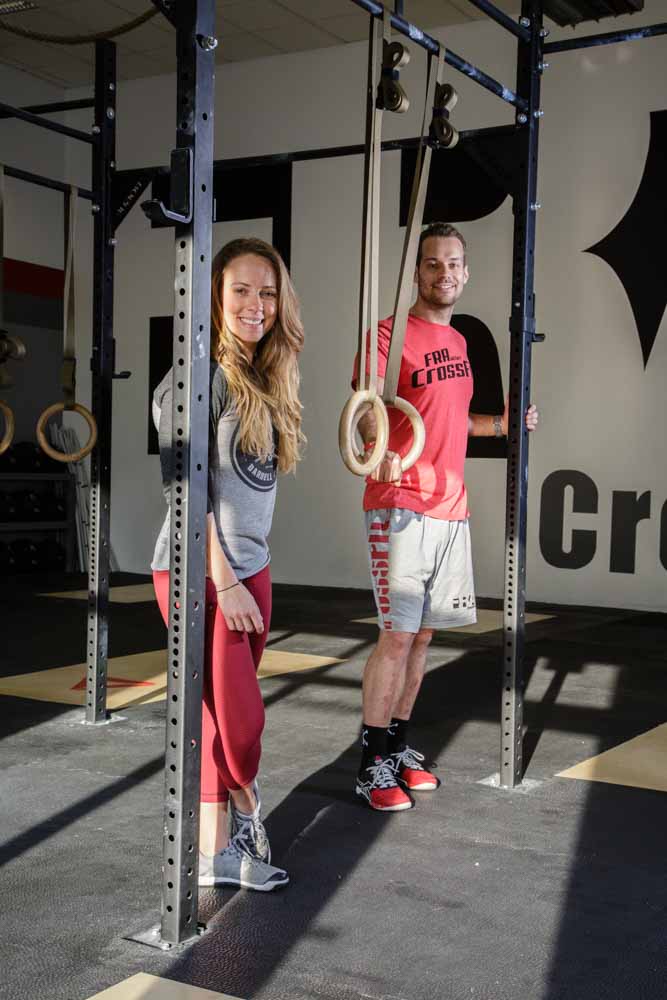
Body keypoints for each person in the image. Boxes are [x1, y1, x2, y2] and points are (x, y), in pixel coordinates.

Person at [353, 222, 539, 811]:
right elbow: (363, 414)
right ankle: (369, 763)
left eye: (454, 264)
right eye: (433, 264)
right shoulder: (386, 337)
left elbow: (451, 424)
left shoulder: (458, 344)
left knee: (425, 636)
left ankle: (398, 748)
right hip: (401, 503)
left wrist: (503, 425)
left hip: (451, 505)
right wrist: (371, 444)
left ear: (466, 271)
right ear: (418, 273)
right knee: (397, 635)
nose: (445, 274)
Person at [152, 237, 305, 885]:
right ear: (213, 297)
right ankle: (246, 805)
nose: (255, 304)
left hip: (253, 570)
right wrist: (224, 579)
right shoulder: (193, 379)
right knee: (239, 719)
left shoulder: (267, 377)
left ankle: (216, 856)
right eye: (240, 290)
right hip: (199, 572)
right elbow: (184, 492)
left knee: (220, 717)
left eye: (266, 292)